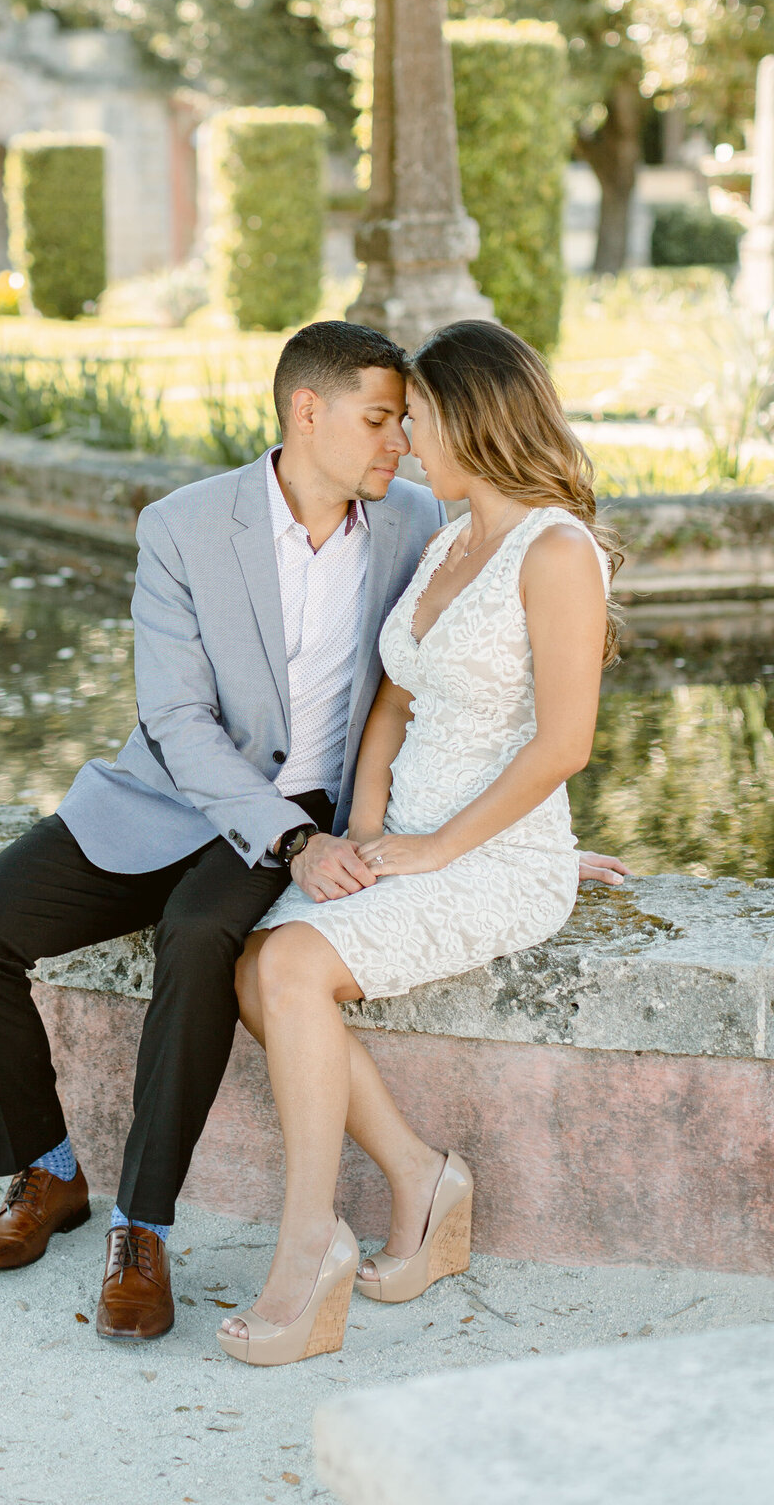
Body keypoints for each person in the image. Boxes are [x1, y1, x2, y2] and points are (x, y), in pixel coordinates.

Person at [0, 318, 625, 1343]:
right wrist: (318, 839)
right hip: (177, 795)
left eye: (409, 420)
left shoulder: (423, 516)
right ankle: (48, 1172)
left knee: (209, 941)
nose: (398, 440)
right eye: (381, 418)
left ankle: (142, 1226)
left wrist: (497, 840)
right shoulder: (184, 525)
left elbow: (517, 703)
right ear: (309, 411)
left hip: (315, 817)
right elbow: (176, 721)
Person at [218, 318, 624, 1366]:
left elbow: (563, 744)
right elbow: (391, 708)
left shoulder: (556, 550)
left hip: (488, 862)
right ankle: (421, 1176)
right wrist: (363, 832)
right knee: (257, 970)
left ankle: (310, 1252)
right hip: (406, 840)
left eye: (418, 419)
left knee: (294, 963)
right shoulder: (448, 542)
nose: (400, 443)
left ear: (474, 421)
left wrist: (443, 848)